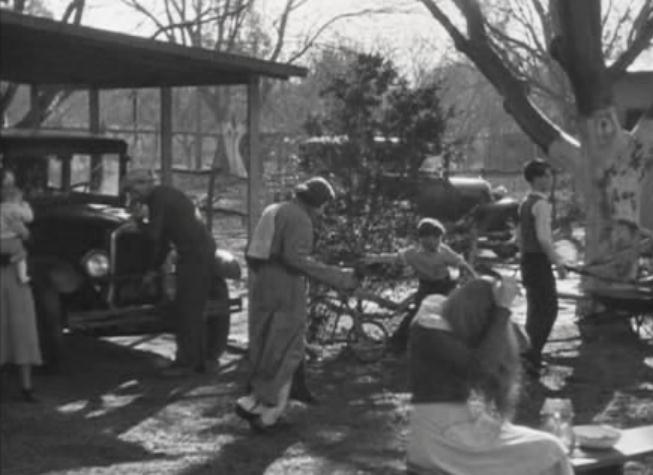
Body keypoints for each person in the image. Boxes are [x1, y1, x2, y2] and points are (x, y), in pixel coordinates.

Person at [406, 277, 573, 475]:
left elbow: (523, 343)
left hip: (457, 429)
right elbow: (479, 369)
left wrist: (501, 306)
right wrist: (501, 310)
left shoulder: (455, 318)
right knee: (551, 449)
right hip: (440, 439)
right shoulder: (429, 327)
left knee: (544, 447)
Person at [235, 177, 357, 432]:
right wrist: (341, 277)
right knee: (287, 347)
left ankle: (257, 402)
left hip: (262, 282)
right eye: (324, 205)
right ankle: (264, 410)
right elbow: (296, 259)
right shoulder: (299, 218)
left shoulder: (274, 209)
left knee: (265, 343)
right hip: (286, 284)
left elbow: (253, 252)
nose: (323, 211)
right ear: (317, 202)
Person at [121, 168, 220, 377]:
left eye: (133, 191)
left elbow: (154, 236)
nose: (133, 196)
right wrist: (152, 268)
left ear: (144, 185)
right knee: (193, 306)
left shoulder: (159, 199)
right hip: (197, 251)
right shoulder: (167, 195)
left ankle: (186, 362)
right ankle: (200, 361)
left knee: (187, 308)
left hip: (195, 254)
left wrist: (138, 223)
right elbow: (164, 239)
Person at [363, 217, 477, 354]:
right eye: (436, 239)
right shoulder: (413, 253)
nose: (438, 242)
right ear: (425, 239)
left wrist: (475, 278)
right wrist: (374, 258)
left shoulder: (444, 251)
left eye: (440, 238)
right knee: (415, 314)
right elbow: (394, 257)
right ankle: (397, 344)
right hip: (427, 286)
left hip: (444, 285)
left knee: (452, 311)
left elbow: (462, 264)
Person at [518, 159, 567, 377]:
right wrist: (559, 263)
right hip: (538, 262)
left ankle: (529, 356)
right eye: (547, 175)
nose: (550, 179)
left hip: (528, 260)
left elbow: (525, 236)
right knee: (549, 311)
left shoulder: (526, 202)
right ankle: (530, 356)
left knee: (535, 311)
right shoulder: (542, 204)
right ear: (536, 178)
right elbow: (544, 240)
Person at [0, 168, 42, 402]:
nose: (10, 189)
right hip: (9, 271)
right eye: (5, 185)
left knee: (21, 326)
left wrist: (24, 243)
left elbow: (28, 237)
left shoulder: (12, 213)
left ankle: (26, 385)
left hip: (15, 278)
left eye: (11, 184)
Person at [0, 178, 33, 284]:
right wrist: (26, 206)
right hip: (12, 240)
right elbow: (29, 217)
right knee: (22, 256)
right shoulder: (15, 208)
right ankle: (22, 276)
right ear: (14, 199)